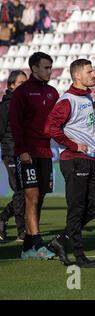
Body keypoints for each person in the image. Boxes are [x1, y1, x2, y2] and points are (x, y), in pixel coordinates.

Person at [45, 59, 95, 268]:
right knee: (76, 209)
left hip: (89, 159)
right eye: (90, 71)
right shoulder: (68, 100)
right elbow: (50, 127)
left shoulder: (87, 96)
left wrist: (92, 142)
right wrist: (73, 145)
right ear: (77, 76)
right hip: (74, 160)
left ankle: (61, 240)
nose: (93, 74)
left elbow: (81, 125)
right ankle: (79, 256)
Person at [9, 52, 59, 259]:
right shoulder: (22, 93)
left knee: (40, 198)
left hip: (45, 152)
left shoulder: (53, 93)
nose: (49, 71)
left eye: (50, 67)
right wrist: (22, 151)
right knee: (32, 196)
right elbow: (15, 124)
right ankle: (38, 244)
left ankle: (27, 248)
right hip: (27, 152)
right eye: (46, 67)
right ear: (34, 68)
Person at [0, 70, 27, 242]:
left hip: (26, 153)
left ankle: (2, 218)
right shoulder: (4, 107)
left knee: (27, 191)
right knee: (20, 190)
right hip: (11, 153)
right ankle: (22, 231)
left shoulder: (26, 105)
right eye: (21, 83)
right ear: (11, 85)